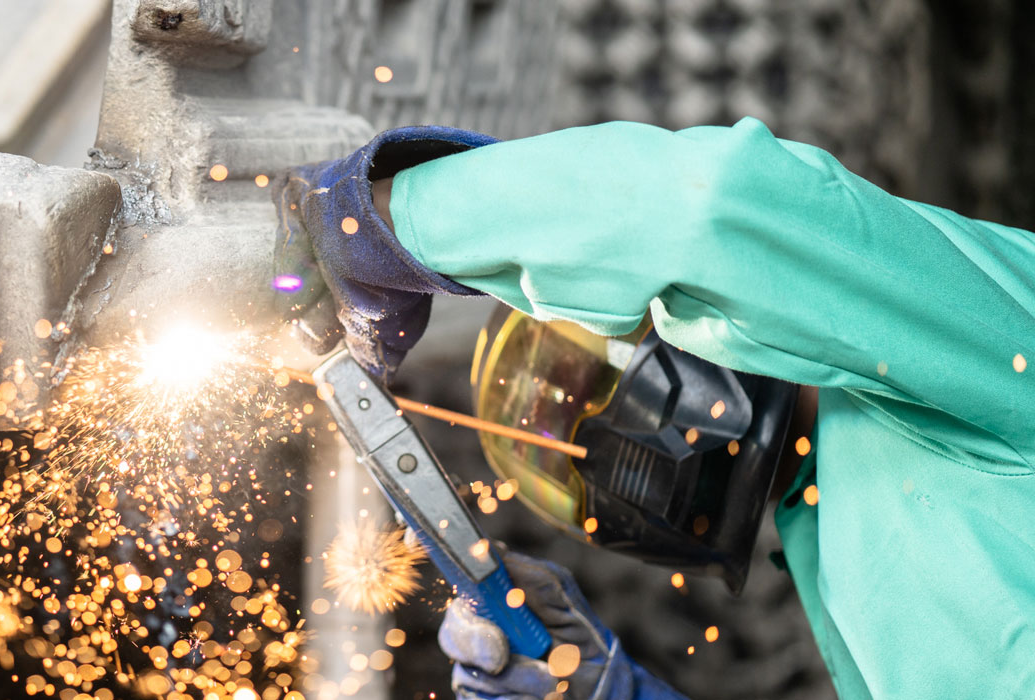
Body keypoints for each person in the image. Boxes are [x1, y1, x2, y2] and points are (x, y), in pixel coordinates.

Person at [272, 118, 1035, 699]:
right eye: (552, 434)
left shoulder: (992, 336)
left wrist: (394, 215)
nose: (583, 435)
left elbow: (718, 211)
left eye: (582, 385)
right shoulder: (829, 545)